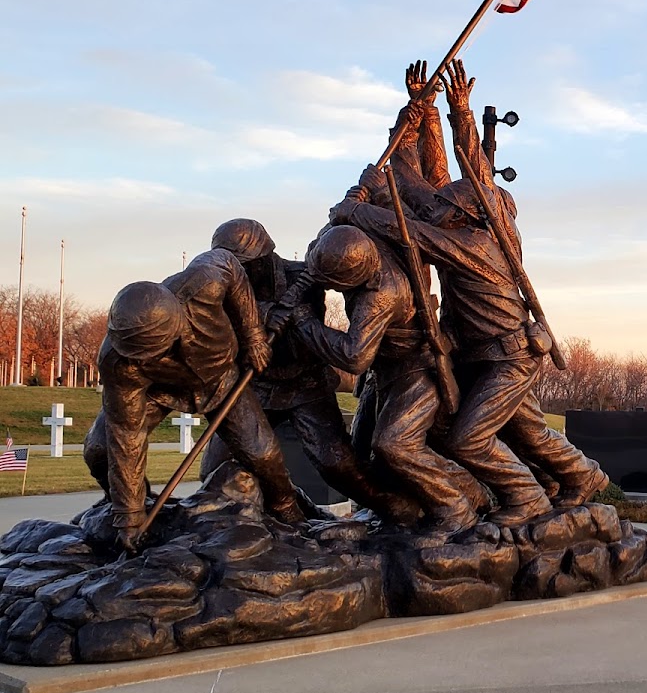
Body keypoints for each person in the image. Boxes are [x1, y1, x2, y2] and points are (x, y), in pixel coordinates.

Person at [328, 61, 607, 526]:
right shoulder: (487, 219)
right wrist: (434, 112)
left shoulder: (473, 244)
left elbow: (409, 226)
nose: (441, 211)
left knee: (469, 439)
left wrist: (353, 212)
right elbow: (446, 179)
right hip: (484, 353)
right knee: (527, 429)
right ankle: (580, 476)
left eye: (450, 211)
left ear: (467, 217)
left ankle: (528, 499)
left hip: (506, 356)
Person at [199, 218, 419, 525]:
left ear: (262, 258)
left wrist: (278, 314)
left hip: (306, 384)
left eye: (243, 265)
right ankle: (286, 510)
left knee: (337, 466)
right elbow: (216, 317)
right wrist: (264, 314)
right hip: (257, 387)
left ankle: (398, 509)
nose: (237, 272)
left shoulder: (301, 276)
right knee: (215, 467)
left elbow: (310, 319)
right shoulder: (224, 287)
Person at [83, 248, 304, 552]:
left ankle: (286, 507)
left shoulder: (204, 282)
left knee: (262, 454)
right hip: (159, 391)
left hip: (221, 379)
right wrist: (130, 516)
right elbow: (126, 435)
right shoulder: (119, 362)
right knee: (99, 448)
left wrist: (252, 334)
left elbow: (230, 264)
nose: (154, 357)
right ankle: (136, 506)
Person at [293, 224, 486, 533]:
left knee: (394, 444)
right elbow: (329, 235)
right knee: (359, 454)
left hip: (415, 367)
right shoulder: (358, 244)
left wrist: (304, 323)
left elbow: (354, 356)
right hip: (384, 370)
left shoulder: (381, 293)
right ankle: (396, 511)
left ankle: (458, 507)